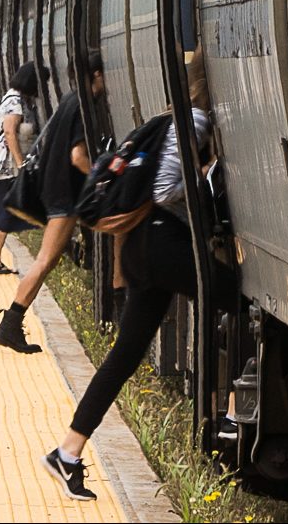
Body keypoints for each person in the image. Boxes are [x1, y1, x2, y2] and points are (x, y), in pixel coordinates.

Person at [42, 57, 213, 500]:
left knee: (126, 353)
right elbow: (164, 191)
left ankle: (69, 451)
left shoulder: (163, 119)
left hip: (139, 247)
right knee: (230, 296)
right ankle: (231, 409)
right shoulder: (193, 121)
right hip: (160, 245)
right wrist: (207, 179)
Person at [0, 50, 105, 354]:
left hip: (57, 190)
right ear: (96, 75)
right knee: (44, 262)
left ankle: (11, 325)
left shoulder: (70, 101)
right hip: (65, 195)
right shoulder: (83, 106)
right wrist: (103, 177)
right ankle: (10, 325)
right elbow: (78, 156)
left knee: (48, 260)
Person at [0, 62, 42, 275]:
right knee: (2, 215)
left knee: (1, 214)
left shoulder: (15, 98)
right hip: (3, 167)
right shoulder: (15, 101)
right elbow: (10, 133)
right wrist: (20, 162)